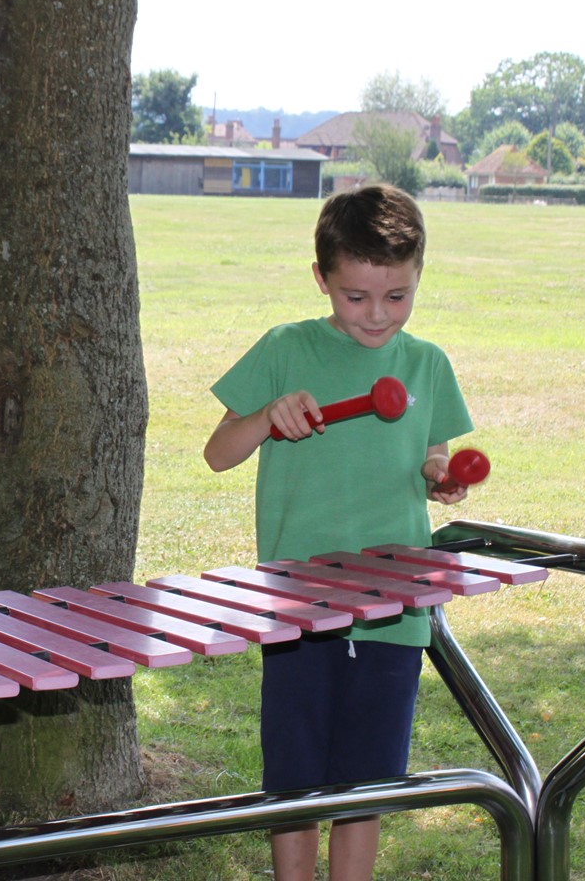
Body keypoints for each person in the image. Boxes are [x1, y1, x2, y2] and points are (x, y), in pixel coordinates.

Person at [202, 184, 475, 881]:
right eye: (356, 297)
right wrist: (267, 415)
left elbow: (431, 458)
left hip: (396, 606)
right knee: (293, 783)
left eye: (397, 296)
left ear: (417, 280)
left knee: (366, 789)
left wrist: (442, 476)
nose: (377, 316)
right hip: (297, 603)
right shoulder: (285, 349)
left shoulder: (427, 365)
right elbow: (218, 452)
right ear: (322, 278)